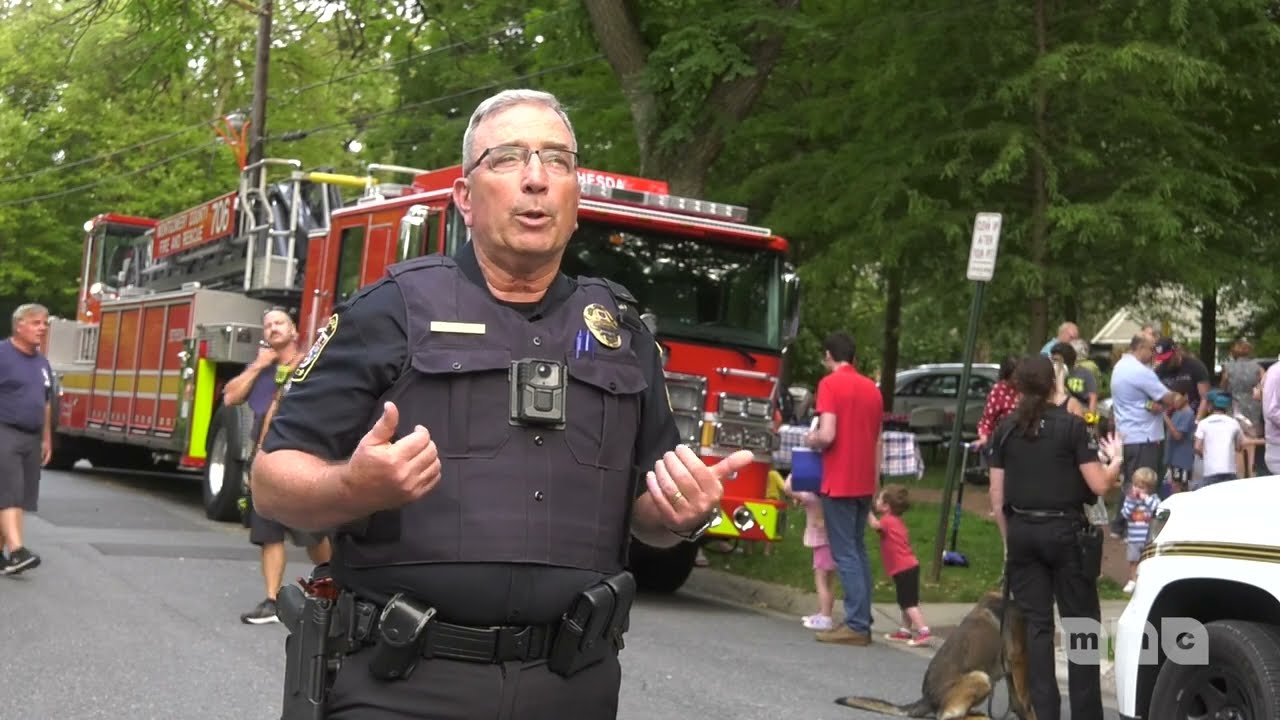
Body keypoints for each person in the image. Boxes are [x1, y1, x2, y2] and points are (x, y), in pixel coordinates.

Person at [251, 88, 752, 720]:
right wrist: (355, 487)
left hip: (574, 689)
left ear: (576, 202)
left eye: (557, 161)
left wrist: (682, 514)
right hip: (403, 684)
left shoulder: (621, 332)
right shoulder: (392, 310)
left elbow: (646, 517)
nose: (536, 179)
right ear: (464, 197)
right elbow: (271, 482)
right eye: (509, 158)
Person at [988, 354, 1123, 720]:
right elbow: (1098, 485)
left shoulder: (1005, 430)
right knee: (1080, 624)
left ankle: (1044, 712)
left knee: (1037, 627)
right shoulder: (1071, 427)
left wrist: (1008, 540)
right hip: (1066, 533)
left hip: (1023, 532)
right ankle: (1086, 713)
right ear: (1053, 385)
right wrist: (1116, 462)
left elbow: (997, 499)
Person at [222, 309, 331, 624]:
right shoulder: (262, 370)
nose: (273, 328)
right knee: (268, 533)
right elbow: (231, 398)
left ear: (294, 331)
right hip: (265, 461)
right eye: (267, 325)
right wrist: (258, 366)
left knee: (313, 533)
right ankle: (272, 601)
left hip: (299, 459)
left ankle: (334, 586)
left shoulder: (311, 364)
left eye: (279, 322)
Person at [804, 331, 883, 646]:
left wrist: (810, 440)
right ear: (855, 357)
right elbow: (877, 439)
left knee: (844, 552)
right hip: (864, 479)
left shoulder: (829, 385)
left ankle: (856, 624)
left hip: (838, 478)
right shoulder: (872, 390)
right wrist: (876, 483)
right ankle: (862, 617)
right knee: (858, 549)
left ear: (828, 356)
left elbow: (827, 435)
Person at [0, 303, 53, 575]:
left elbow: (45, 402)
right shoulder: (3, 354)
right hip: (4, 430)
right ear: (19, 325)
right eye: (36, 323)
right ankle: (17, 551)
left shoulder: (42, 362)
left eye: (44, 323)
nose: (42, 328)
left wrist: (47, 438)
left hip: (31, 437)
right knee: (9, 492)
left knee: (17, 496)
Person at [1108, 334, 1172, 538]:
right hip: (1143, 436)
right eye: (1151, 349)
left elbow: (1139, 401)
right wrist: (1175, 400)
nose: (1153, 353)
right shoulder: (1140, 371)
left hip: (1128, 434)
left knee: (1131, 481)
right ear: (1141, 348)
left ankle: (1120, 525)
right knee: (1142, 484)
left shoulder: (1121, 367)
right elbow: (1166, 396)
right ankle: (1132, 528)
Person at [867, 484, 930, 646]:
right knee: (906, 601)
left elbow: (875, 525)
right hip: (908, 567)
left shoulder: (887, 521)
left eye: (879, 498)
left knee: (908, 603)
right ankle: (905, 630)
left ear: (886, 506)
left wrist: (865, 510)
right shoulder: (895, 521)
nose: (876, 501)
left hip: (903, 568)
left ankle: (923, 631)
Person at [783, 473, 835, 631]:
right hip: (834, 543)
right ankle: (824, 613)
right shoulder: (830, 498)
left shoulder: (810, 498)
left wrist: (798, 470)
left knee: (820, 580)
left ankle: (825, 617)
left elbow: (787, 487)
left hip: (821, 544)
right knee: (830, 581)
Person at [1120, 467, 1160, 593]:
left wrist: (1145, 498)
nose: (1137, 489)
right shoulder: (1130, 499)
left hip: (1148, 539)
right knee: (1133, 560)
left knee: (1146, 561)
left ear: (1149, 488)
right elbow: (1125, 514)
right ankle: (1133, 580)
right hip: (1134, 537)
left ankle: (1146, 581)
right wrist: (1132, 501)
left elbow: (1157, 508)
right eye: (1135, 485)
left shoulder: (1153, 498)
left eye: (1141, 487)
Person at [1193, 390, 1243, 489]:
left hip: (1210, 472)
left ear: (1210, 405)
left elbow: (1197, 447)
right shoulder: (1234, 423)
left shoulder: (1203, 423)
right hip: (1229, 471)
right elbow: (1238, 447)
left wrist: (1205, 456)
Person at [1161, 390, 1194, 496]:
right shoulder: (1176, 412)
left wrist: (1165, 417)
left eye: (1176, 397)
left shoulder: (1188, 413)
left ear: (1185, 397)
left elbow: (1178, 435)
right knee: (1174, 486)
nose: (1173, 400)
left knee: (1179, 488)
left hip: (1182, 459)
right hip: (1173, 458)